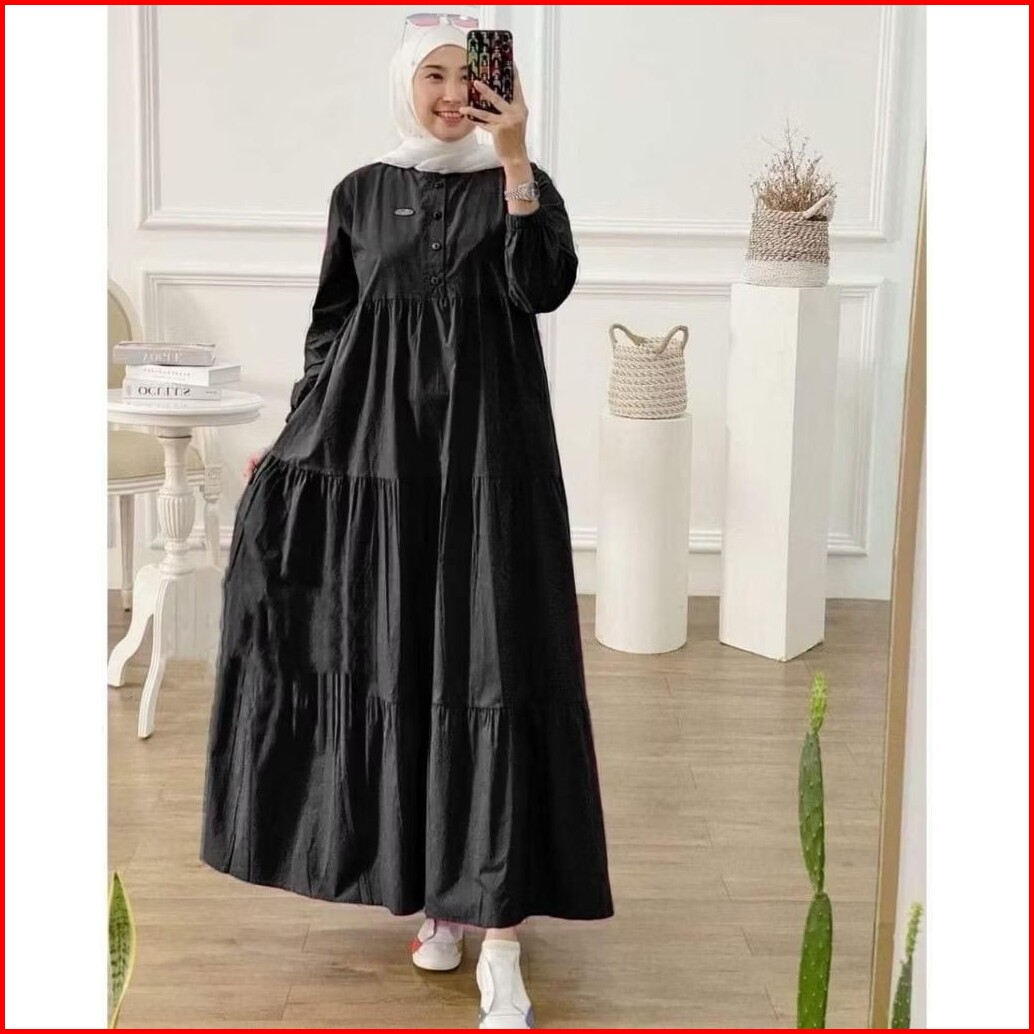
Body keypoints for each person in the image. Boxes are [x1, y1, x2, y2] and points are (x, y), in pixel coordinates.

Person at [200, 16, 614, 1029]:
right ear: (404, 84)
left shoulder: (520, 181)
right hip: (385, 470)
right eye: (433, 75)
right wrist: (293, 444)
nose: (452, 93)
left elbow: (542, 286)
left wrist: (514, 158)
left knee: (491, 671)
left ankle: (501, 936)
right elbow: (332, 333)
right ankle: (439, 894)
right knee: (405, 662)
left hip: (491, 469)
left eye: (469, 76)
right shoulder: (359, 192)